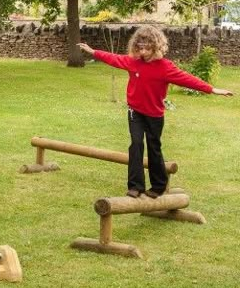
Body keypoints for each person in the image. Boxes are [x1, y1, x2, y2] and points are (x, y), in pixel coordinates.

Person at [79, 26, 232, 198]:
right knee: (136, 144)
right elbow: (114, 58)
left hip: (154, 114)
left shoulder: (165, 67)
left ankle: (158, 186)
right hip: (135, 112)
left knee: (154, 147)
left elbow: (187, 79)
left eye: (146, 48)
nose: (142, 52)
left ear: (156, 47)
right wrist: (93, 52)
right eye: (139, 48)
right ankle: (135, 186)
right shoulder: (133, 62)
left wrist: (212, 89)